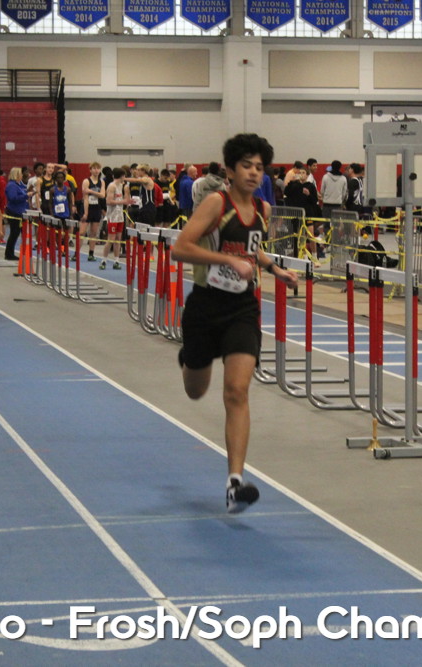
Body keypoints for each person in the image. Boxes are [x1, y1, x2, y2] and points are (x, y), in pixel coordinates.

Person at [172, 133, 298, 514]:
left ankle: (234, 483)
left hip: (242, 308)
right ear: (230, 170)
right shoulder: (216, 203)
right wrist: (228, 261)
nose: (254, 173)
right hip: (205, 306)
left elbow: (252, 250)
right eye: (246, 166)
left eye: (260, 167)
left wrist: (275, 269)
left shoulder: (263, 208)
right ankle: (191, 357)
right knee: (196, 390)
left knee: (237, 392)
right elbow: (180, 248)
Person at [101, 168, 128, 270]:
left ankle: (116, 261)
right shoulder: (112, 186)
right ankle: (104, 260)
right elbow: (108, 201)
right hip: (112, 216)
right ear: (122, 176)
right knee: (110, 240)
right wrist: (123, 202)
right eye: (124, 176)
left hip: (120, 216)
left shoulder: (122, 186)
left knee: (118, 239)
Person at [81, 162, 105, 262]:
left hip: (96, 208)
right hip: (87, 208)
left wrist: (91, 191)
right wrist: (86, 213)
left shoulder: (101, 182)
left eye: (98, 168)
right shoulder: (86, 181)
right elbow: (85, 198)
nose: (96, 170)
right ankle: (76, 253)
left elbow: (102, 195)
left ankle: (91, 253)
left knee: (94, 233)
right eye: (94, 168)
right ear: (90, 170)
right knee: (82, 232)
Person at [3, 167, 28, 261]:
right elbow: (13, 198)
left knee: (16, 233)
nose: (22, 175)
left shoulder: (18, 185)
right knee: (14, 233)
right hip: (14, 212)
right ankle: (9, 254)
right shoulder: (12, 185)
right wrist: (26, 196)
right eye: (20, 174)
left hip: (19, 211)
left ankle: (11, 253)